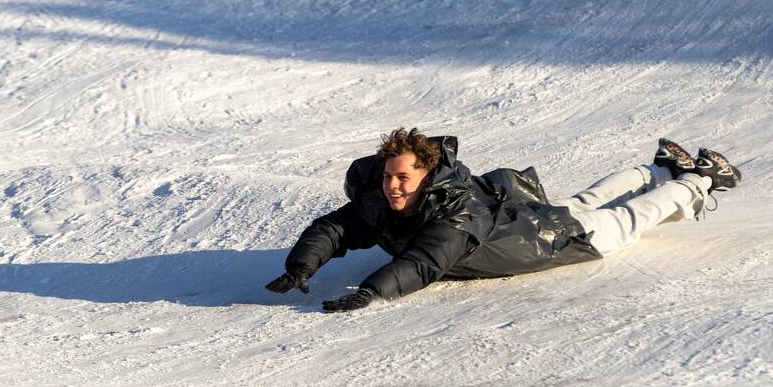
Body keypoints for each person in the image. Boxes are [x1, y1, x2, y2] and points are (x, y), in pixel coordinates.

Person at [265, 128, 741, 312]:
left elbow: (426, 261)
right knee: (585, 199)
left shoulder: (456, 212)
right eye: (389, 176)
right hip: (529, 218)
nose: (393, 186)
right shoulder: (383, 200)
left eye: (403, 178)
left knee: (627, 218)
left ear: (428, 174)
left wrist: (370, 291)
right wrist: (302, 267)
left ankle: (700, 182)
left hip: (550, 241)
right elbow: (334, 227)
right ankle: (658, 167)